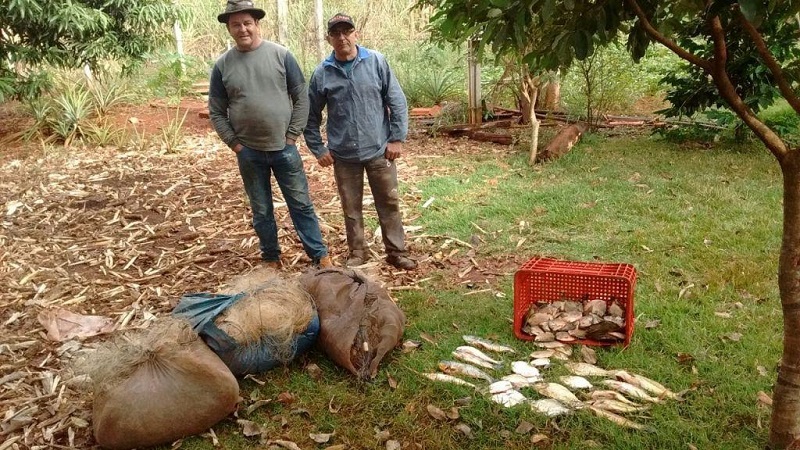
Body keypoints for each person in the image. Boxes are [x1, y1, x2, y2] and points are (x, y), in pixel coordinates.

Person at [208, 0, 332, 270]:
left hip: (284, 148)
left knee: (300, 204)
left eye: (247, 23)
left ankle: (319, 255)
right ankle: (271, 258)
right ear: (229, 29)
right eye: (235, 25)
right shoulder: (222, 66)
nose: (242, 29)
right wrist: (235, 144)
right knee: (261, 209)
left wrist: (292, 135)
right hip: (249, 152)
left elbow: (301, 97)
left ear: (257, 24)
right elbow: (216, 111)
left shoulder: (280, 55)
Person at [304, 13, 417, 270]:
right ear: (329, 38)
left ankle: (396, 252)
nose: (342, 37)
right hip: (344, 156)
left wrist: (396, 139)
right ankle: (358, 252)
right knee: (351, 208)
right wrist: (318, 148)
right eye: (336, 33)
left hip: (379, 150)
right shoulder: (323, 73)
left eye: (347, 31)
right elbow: (309, 116)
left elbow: (396, 100)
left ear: (356, 34)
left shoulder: (376, 61)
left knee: (389, 203)